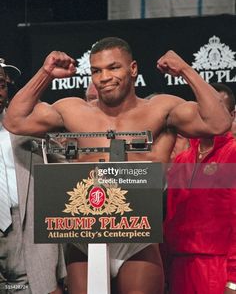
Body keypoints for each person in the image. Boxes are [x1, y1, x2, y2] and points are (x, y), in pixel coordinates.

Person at [3, 37, 231, 294]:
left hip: (137, 239)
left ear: (132, 69)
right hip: (84, 238)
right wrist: (45, 73)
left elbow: (218, 123)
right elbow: (16, 120)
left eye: (113, 68)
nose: (104, 77)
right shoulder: (74, 111)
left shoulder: (161, 109)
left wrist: (187, 71)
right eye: (96, 70)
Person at [0, 61, 66, 293]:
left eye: (1, 84)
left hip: (28, 222)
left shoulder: (29, 126)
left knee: (44, 287)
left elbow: (66, 169)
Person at [163, 83, 236, 294]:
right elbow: (170, 220)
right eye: (204, 109)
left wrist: (233, 279)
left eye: (218, 109)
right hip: (179, 267)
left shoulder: (233, 154)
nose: (210, 115)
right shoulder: (181, 160)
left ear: (231, 115)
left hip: (218, 268)